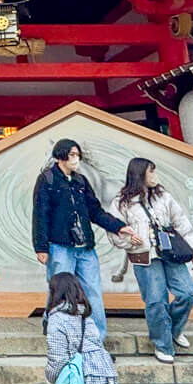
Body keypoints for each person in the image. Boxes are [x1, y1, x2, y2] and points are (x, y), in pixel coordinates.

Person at [32, 138, 128, 338]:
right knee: (59, 287)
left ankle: (96, 338)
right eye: (72, 155)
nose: (76, 159)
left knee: (92, 290)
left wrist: (119, 227)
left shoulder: (81, 181)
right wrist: (41, 247)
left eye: (77, 155)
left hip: (85, 247)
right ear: (61, 156)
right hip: (60, 246)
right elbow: (41, 214)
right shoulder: (47, 179)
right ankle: (54, 327)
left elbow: (95, 211)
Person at [112, 156, 193, 365]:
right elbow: (114, 230)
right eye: (151, 171)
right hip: (144, 256)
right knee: (156, 300)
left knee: (189, 293)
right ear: (140, 173)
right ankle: (163, 345)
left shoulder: (164, 196)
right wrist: (130, 241)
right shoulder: (121, 202)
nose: (154, 175)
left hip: (171, 253)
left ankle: (172, 328)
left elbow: (181, 222)